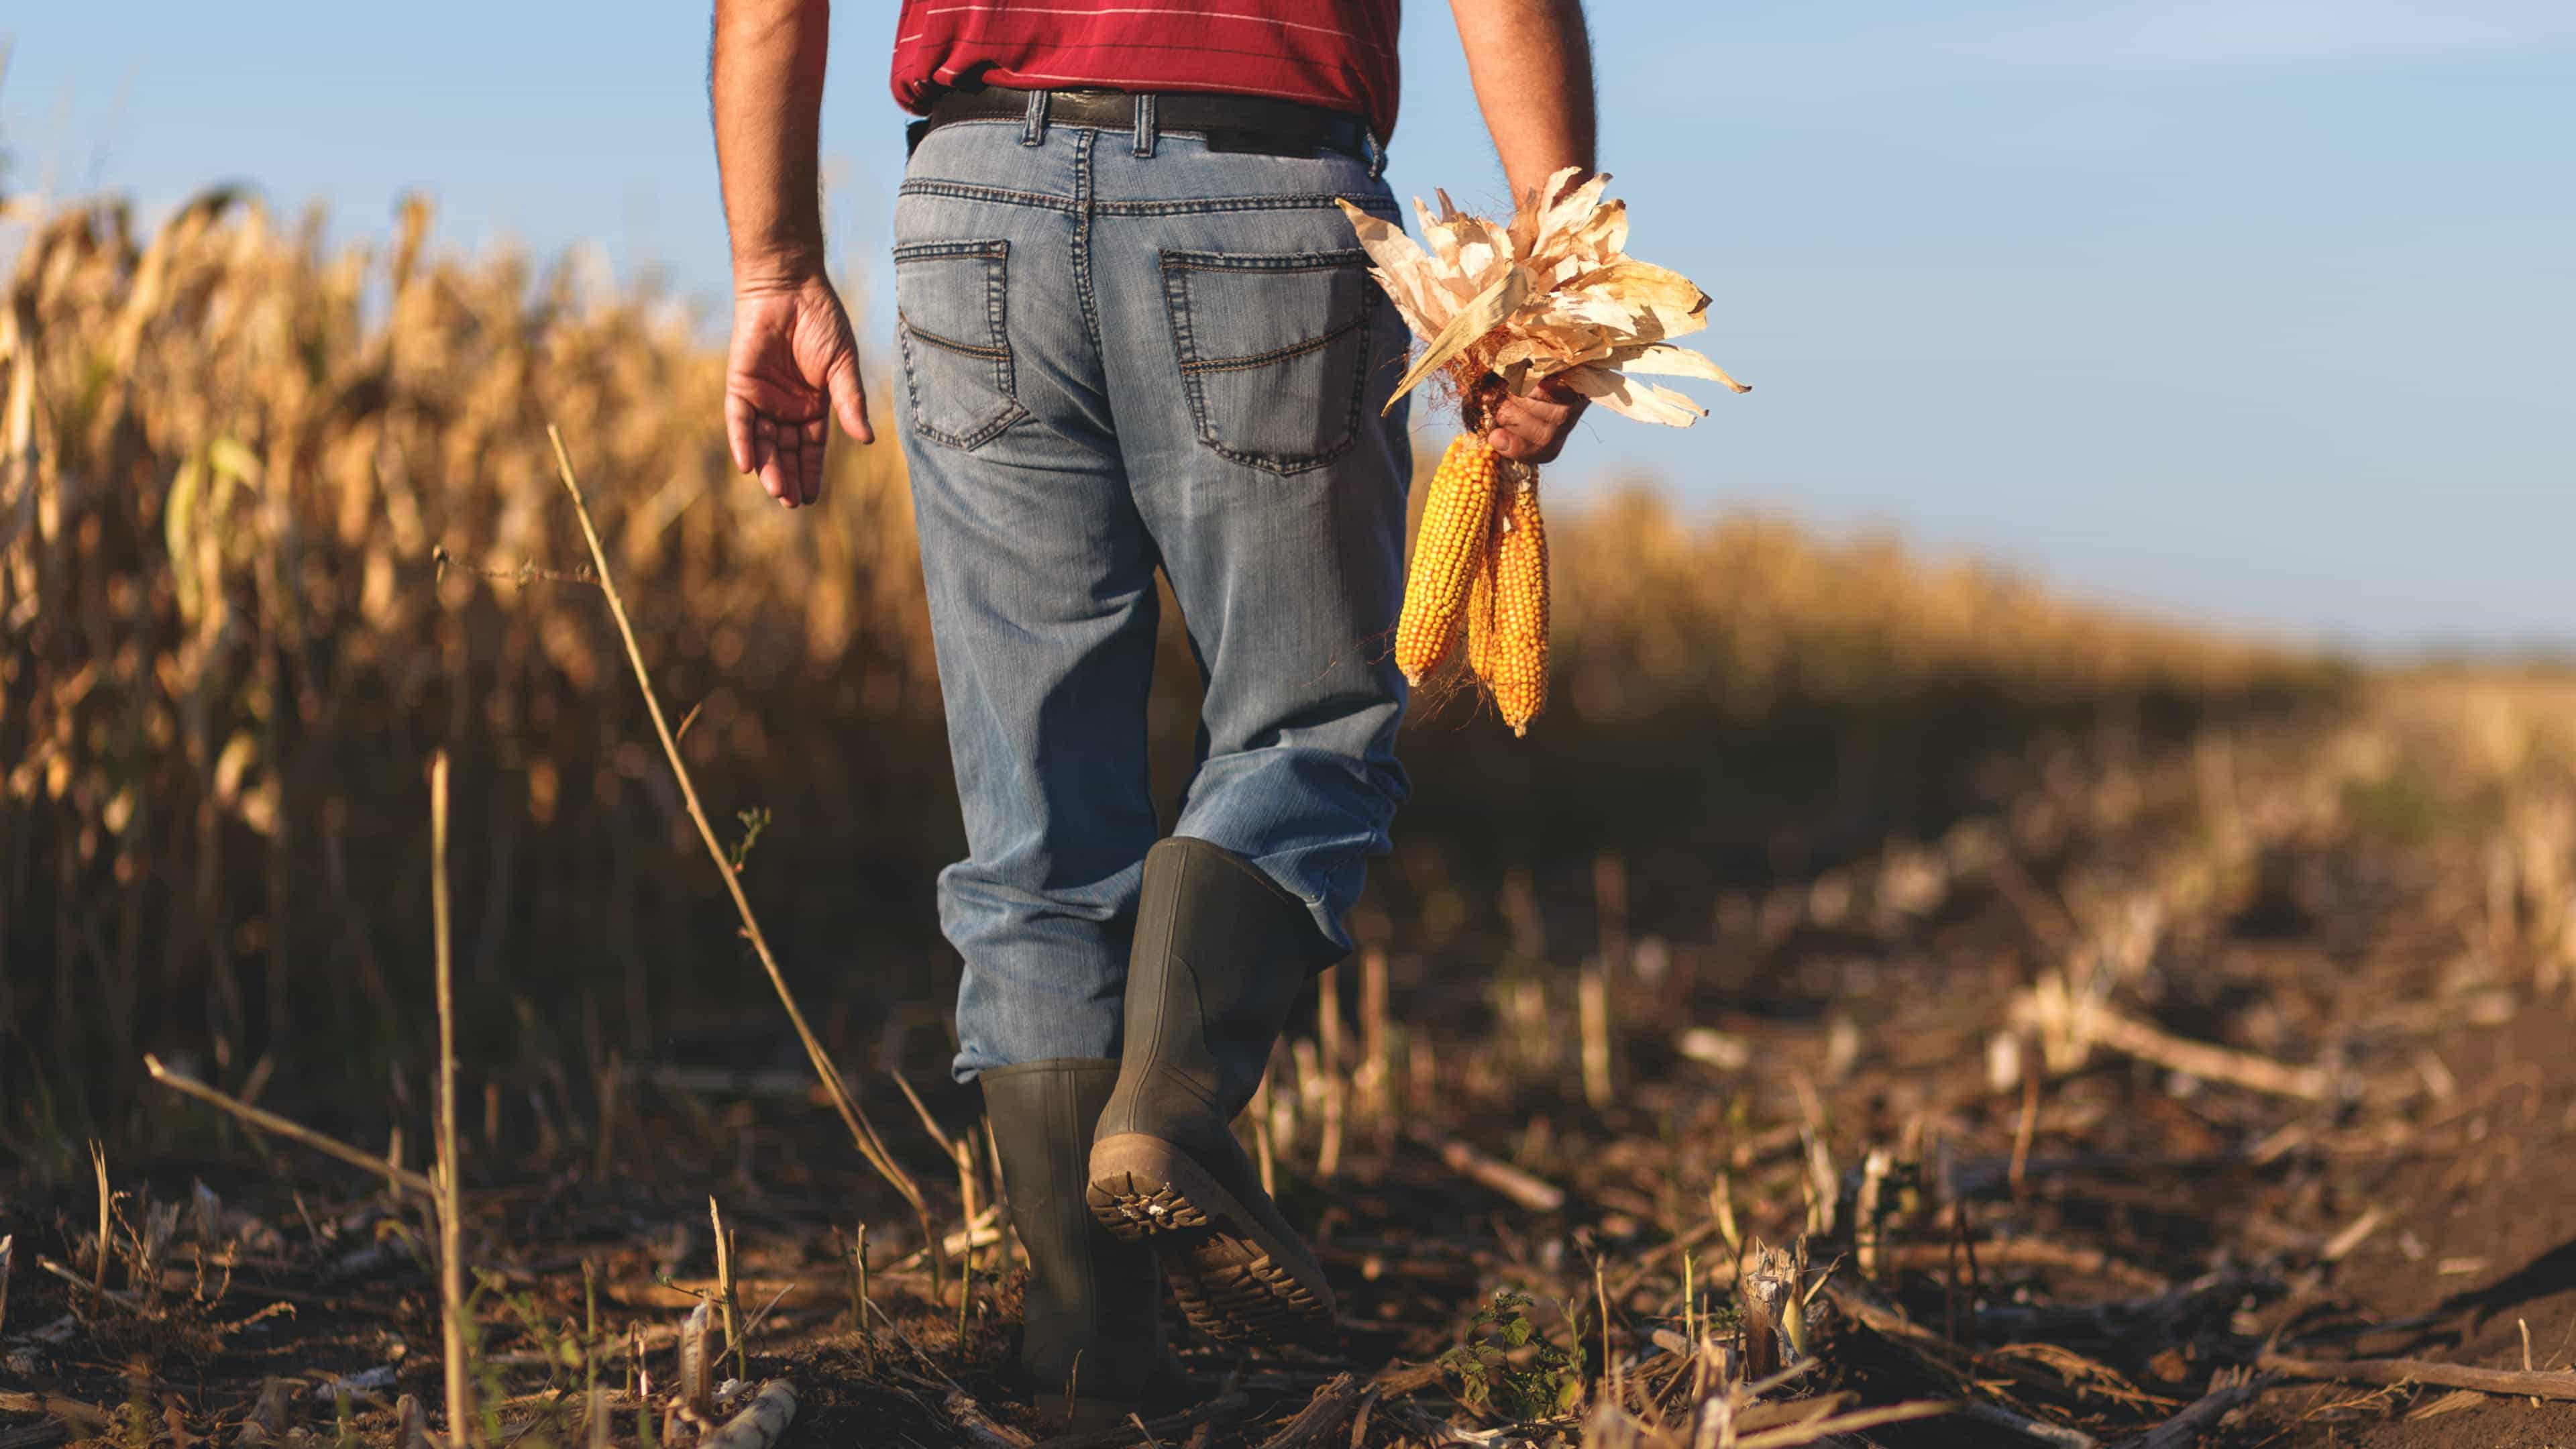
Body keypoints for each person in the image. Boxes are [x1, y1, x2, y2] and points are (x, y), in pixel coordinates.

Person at [708, 0, 1597, 1400]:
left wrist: (772, 263)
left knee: (1034, 802)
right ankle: (1172, 1102)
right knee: (1306, 725)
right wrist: (1555, 275)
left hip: (973, 195)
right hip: (1265, 191)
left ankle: (1088, 1359)